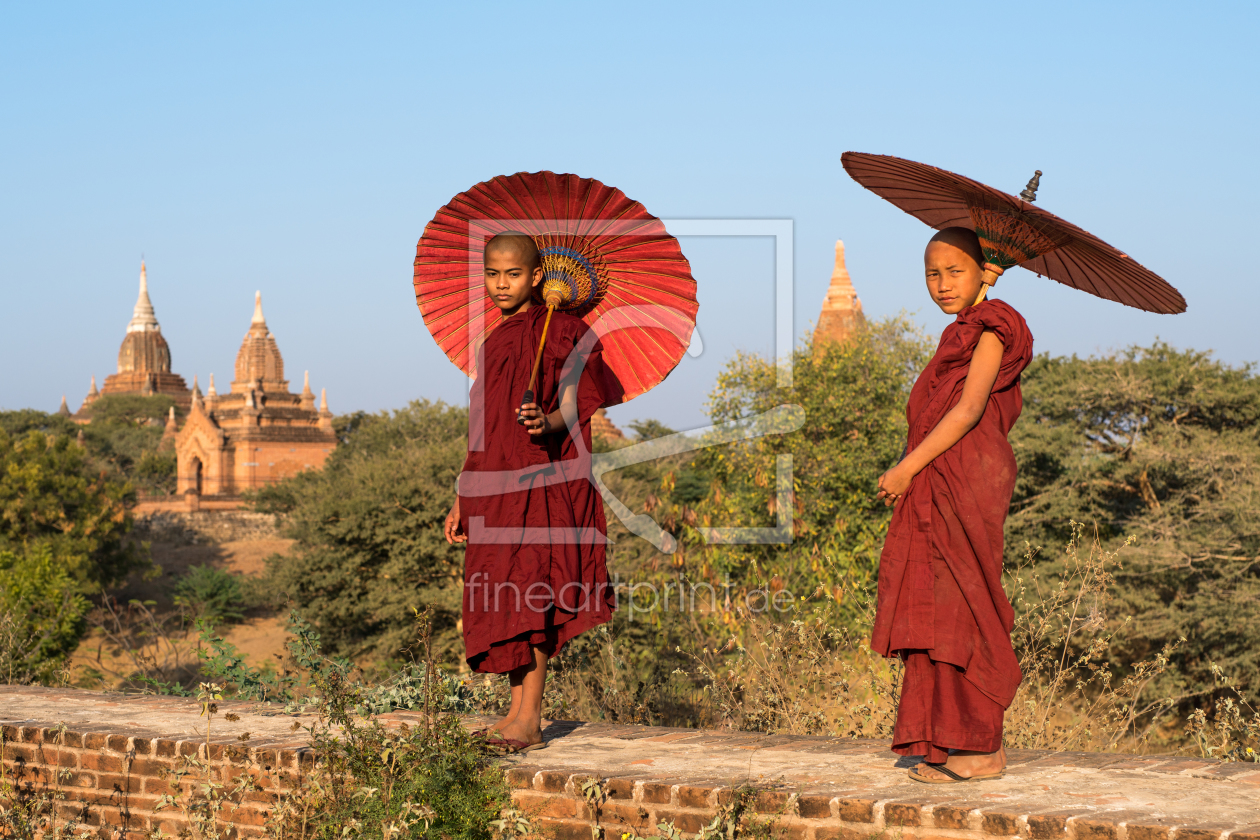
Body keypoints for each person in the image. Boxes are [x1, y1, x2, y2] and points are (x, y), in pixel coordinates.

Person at [872, 226, 1034, 783]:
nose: (941, 284)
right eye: (931, 273)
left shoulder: (992, 327)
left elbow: (966, 411)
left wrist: (905, 468)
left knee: (965, 608)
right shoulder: (967, 327)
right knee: (935, 611)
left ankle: (982, 749)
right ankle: (944, 743)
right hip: (942, 478)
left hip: (967, 478)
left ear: (980, 271)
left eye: (954, 271)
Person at [444, 231, 615, 754]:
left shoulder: (564, 330)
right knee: (503, 592)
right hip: (494, 485)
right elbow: (482, 428)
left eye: (513, 274)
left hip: (542, 480)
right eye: (492, 274)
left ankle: (531, 719)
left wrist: (547, 422)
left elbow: (573, 406)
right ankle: (515, 711)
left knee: (532, 592)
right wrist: (461, 495)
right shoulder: (492, 342)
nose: (501, 284)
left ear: (536, 276)